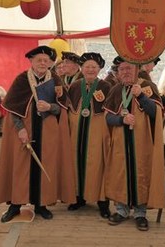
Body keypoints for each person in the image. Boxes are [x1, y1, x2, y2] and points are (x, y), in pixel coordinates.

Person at [0, 46, 76, 222]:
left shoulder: (55, 80)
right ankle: (15, 205)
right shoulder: (22, 80)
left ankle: (42, 204)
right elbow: (13, 108)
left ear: (50, 63)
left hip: (48, 132)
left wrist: (50, 107)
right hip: (23, 131)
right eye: (39, 60)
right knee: (20, 167)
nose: (43, 63)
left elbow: (62, 107)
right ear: (31, 61)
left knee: (45, 165)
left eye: (46, 60)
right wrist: (20, 129)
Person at [103, 57, 165, 231]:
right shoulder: (116, 90)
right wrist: (122, 119)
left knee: (141, 174)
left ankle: (140, 213)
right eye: (121, 69)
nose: (125, 72)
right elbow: (108, 118)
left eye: (129, 68)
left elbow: (156, 115)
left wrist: (141, 96)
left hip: (142, 142)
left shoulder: (147, 86)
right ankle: (121, 210)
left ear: (137, 69)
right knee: (120, 174)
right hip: (120, 142)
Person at [66, 53, 113, 218]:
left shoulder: (106, 87)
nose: (90, 69)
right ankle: (78, 198)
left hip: (96, 134)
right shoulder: (74, 86)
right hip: (77, 134)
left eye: (94, 67)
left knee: (97, 165)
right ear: (82, 68)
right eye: (87, 66)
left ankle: (102, 201)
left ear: (99, 68)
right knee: (75, 163)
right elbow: (67, 109)